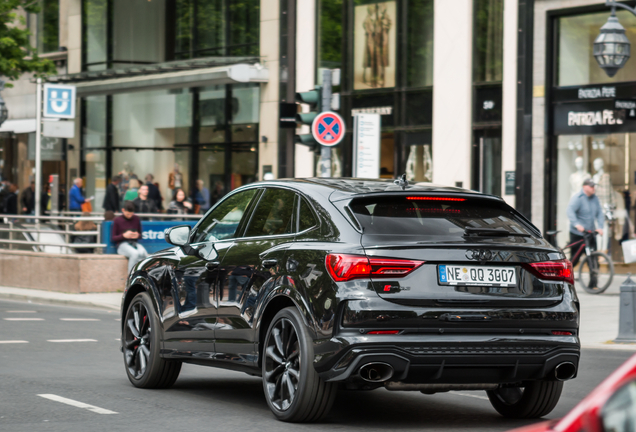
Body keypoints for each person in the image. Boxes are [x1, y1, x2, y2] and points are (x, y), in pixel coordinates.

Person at [566, 178, 604, 267]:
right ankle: (564, 277)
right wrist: (577, 224)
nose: (593, 188)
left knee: (593, 260)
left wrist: (600, 227)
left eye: (594, 186)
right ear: (584, 187)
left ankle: (594, 279)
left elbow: (600, 214)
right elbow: (569, 211)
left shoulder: (595, 199)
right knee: (575, 259)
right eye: (591, 186)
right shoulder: (577, 198)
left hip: (590, 233)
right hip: (578, 234)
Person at [112, 201, 148, 273]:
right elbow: (113, 237)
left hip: (134, 243)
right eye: (128, 214)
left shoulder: (136, 219)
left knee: (144, 253)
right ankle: (131, 277)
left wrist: (137, 235)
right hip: (122, 244)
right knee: (134, 254)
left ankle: (142, 276)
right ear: (123, 210)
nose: (130, 216)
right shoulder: (117, 220)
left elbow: (140, 235)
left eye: (131, 214)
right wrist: (124, 236)